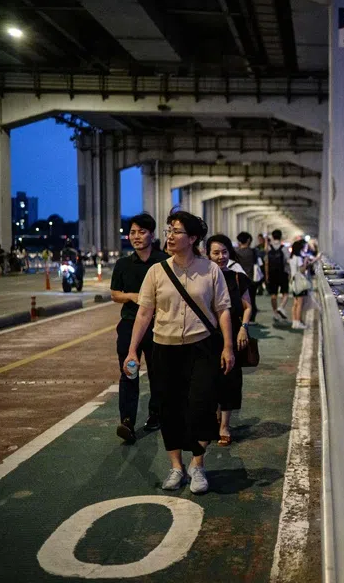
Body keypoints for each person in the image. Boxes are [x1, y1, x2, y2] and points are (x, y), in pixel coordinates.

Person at [125, 211, 234, 494]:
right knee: (169, 408)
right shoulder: (157, 272)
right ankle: (176, 467)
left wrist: (228, 346)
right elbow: (144, 313)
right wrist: (132, 350)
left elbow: (223, 309)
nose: (170, 236)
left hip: (201, 348)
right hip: (164, 348)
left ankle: (198, 465)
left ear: (193, 238)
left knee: (201, 406)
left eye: (177, 231)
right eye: (169, 230)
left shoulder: (210, 270)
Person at [110, 213, 169, 444]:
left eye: (141, 232)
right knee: (129, 372)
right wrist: (133, 296)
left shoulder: (164, 262)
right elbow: (115, 294)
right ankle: (127, 422)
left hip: (158, 327)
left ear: (151, 235)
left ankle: (156, 414)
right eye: (132, 232)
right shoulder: (123, 264)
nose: (136, 236)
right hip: (129, 326)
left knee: (158, 373)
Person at [206, 234, 252, 446]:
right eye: (216, 253)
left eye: (224, 252)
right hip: (206, 336)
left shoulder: (237, 277)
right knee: (209, 378)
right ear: (207, 255)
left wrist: (243, 328)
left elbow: (248, 306)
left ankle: (224, 425)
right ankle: (214, 416)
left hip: (232, 335)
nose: (220, 257)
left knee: (229, 379)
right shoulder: (203, 277)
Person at [288, 239, 317, 330]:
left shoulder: (292, 257)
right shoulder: (299, 258)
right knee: (300, 303)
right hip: (300, 282)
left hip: (294, 281)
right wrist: (306, 261)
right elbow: (302, 270)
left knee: (295, 303)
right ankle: (298, 322)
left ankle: (294, 322)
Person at [234, 232, 262, 322]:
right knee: (251, 300)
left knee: (240, 300)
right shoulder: (253, 251)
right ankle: (251, 319)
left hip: (239, 279)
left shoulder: (236, 252)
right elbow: (259, 263)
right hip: (251, 279)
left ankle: (242, 318)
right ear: (249, 240)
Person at [265, 229, 290, 322]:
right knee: (285, 293)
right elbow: (287, 262)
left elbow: (266, 262)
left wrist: (267, 275)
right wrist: (289, 273)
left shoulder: (269, 248)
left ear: (272, 236)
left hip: (272, 274)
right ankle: (281, 307)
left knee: (273, 295)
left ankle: (275, 313)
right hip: (282, 273)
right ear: (281, 237)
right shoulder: (284, 248)